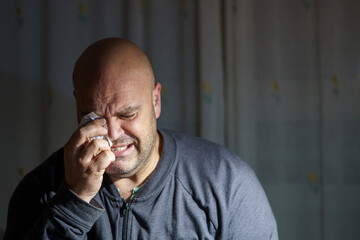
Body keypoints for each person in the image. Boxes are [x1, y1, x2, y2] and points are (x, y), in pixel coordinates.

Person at [4, 38, 278, 239]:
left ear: (155, 101)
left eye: (127, 114)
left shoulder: (227, 183)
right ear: (77, 106)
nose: (112, 134)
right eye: (93, 116)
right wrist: (75, 199)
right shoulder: (40, 189)